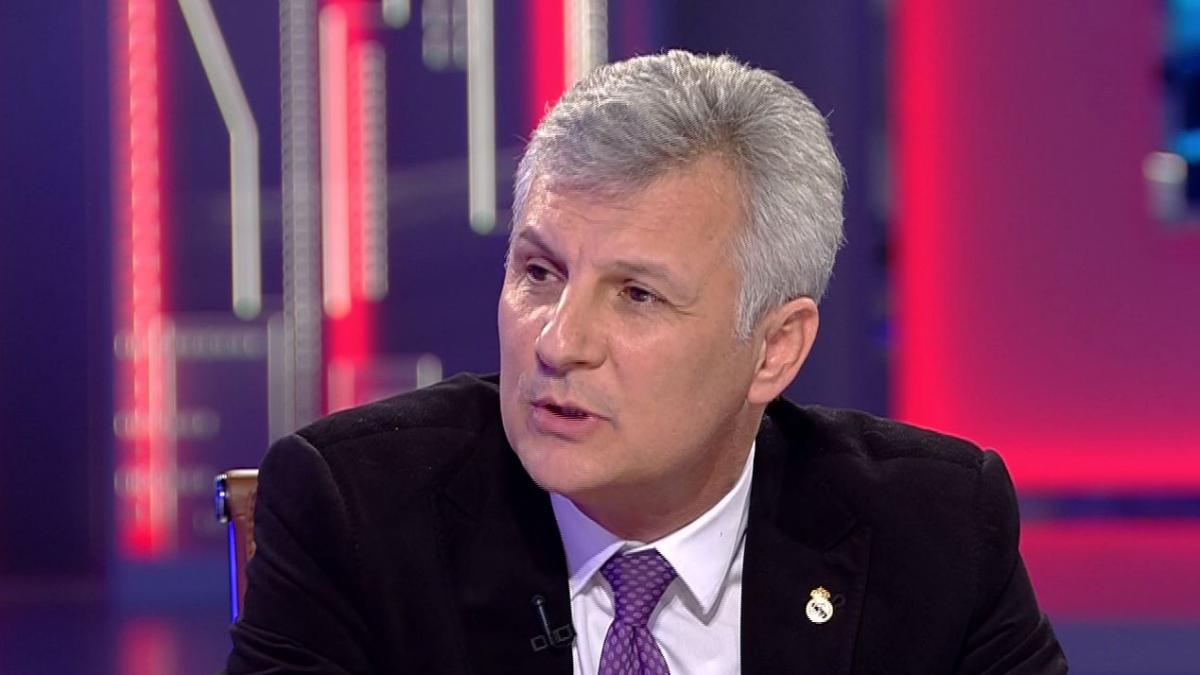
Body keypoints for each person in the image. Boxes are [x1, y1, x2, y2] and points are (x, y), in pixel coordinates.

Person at [227, 50, 1067, 674]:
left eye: (637, 295)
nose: (559, 342)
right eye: (540, 272)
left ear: (774, 348)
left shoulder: (935, 530)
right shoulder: (357, 513)